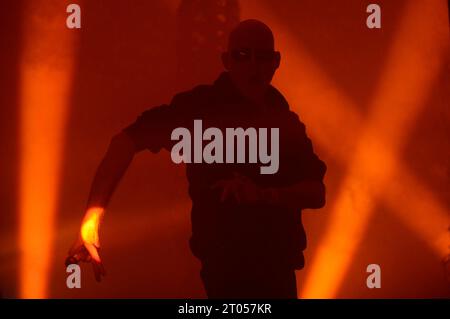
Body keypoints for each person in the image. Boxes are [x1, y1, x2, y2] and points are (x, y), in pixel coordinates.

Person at [66, 19, 327, 299]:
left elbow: (316, 192)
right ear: (227, 60)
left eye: (262, 56)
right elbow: (126, 142)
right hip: (226, 274)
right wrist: (91, 220)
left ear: (276, 61)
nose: (253, 66)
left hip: (278, 273)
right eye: (242, 55)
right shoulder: (201, 110)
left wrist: (264, 195)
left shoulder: (286, 123)